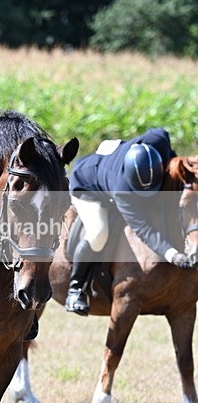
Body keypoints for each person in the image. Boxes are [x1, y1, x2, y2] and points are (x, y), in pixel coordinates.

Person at [65, 127, 192, 316]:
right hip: (87, 186)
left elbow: (161, 131)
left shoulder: (158, 141)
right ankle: (75, 289)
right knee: (98, 232)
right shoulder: (122, 191)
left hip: (119, 155)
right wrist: (172, 254)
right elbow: (143, 229)